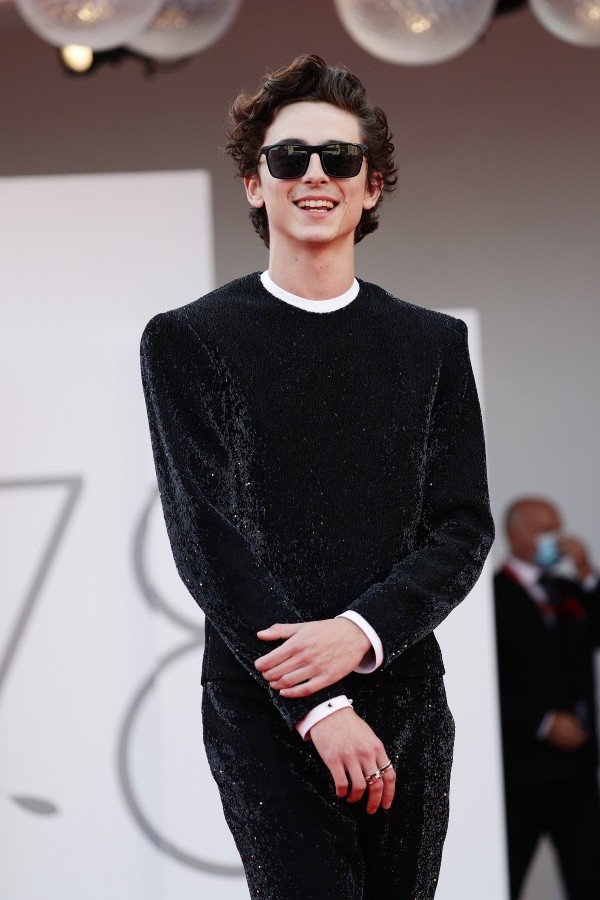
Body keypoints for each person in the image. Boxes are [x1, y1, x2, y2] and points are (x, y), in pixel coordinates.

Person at [140, 54, 494, 900]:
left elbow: (462, 527)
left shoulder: (431, 346)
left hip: (406, 698)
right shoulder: (189, 340)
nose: (314, 175)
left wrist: (362, 631)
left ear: (372, 187)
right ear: (255, 185)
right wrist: (321, 705)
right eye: (288, 157)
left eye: (339, 159)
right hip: (266, 707)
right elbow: (205, 537)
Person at [494, 497, 600, 900]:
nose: (558, 538)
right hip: (522, 770)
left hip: (577, 771)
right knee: (508, 876)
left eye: (559, 527)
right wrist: (540, 722)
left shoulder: (570, 590)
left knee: (588, 877)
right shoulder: (491, 596)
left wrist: (587, 571)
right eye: (545, 530)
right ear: (517, 535)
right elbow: (495, 683)